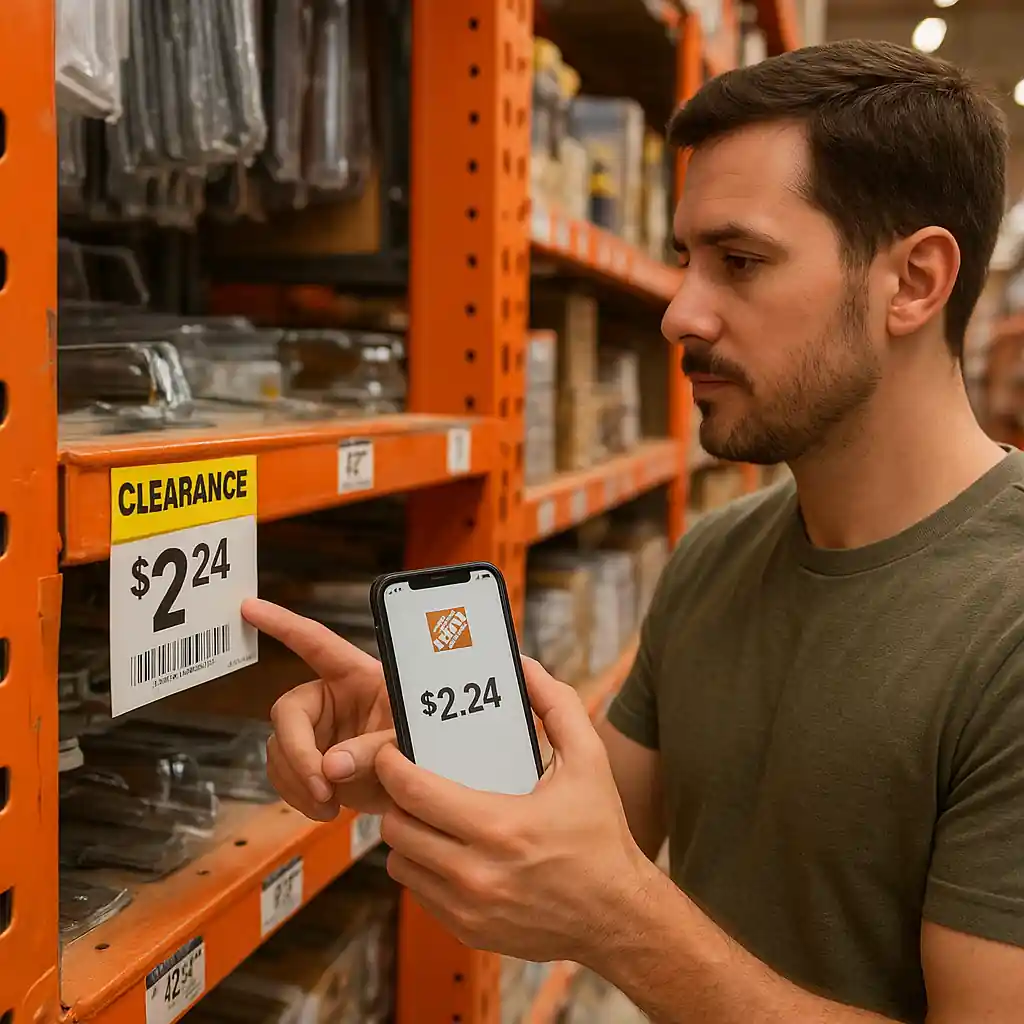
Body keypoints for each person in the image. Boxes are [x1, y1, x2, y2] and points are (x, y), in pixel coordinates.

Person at [243, 38, 1024, 1024]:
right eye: (683, 262)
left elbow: (606, 895)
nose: (679, 314)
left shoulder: (1008, 623)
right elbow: (566, 840)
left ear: (912, 282)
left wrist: (619, 917)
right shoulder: (718, 554)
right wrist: (418, 748)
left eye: (739, 262)